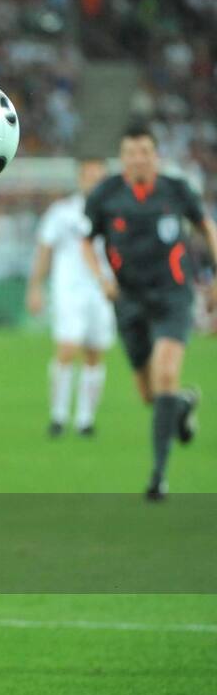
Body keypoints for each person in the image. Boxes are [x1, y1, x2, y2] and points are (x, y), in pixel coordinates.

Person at [81, 124, 217, 500]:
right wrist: (101, 279)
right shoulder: (106, 194)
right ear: (122, 158)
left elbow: (207, 227)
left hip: (174, 295)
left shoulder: (176, 190)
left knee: (167, 373)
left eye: (145, 151)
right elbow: (85, 242)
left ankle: (158, 477)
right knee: (150, 394)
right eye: (131, 152)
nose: (138, 158)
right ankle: (182, 406)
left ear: (155, 155)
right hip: (129, 300)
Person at [26, 159, 112, 437]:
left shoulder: (115, 212)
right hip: (69, 290)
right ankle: (59, 416)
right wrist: (35, 286)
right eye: (89, 176)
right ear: (80, 179)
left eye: (99, 177)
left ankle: (86, 419)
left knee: (94, 353)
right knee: (67, 349)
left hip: (103, 291)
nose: (94, 181)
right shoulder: (62, 212)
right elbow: (44, 250)